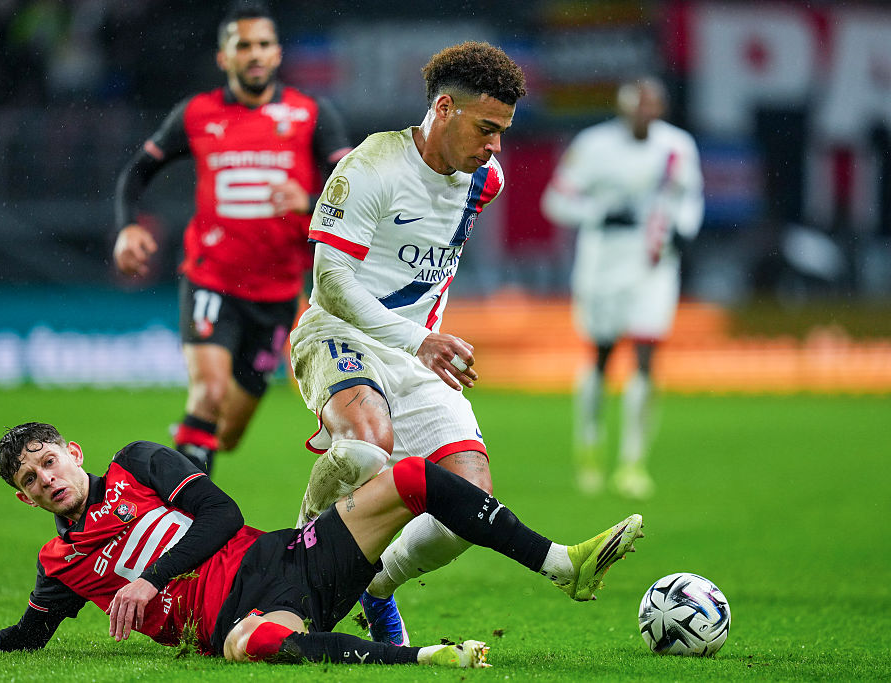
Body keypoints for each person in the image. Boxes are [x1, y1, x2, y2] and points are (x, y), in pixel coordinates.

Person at [0, 422, 644, 667]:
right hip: (235, 622)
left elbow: (219, 514)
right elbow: (27, 636)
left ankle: (563, 564)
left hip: (287, 556)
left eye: (49, 459)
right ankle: (426, 658)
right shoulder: (61, 565)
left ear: (74, 453)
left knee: (412, 475)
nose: (46, 477)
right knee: (257, 643)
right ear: (24, 498)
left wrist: (150, 577)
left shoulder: (139, 461)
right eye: (30, 476)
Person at [286, 41, 526, 646]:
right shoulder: (370, 167)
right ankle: (295, 564)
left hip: (417, 352)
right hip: (338, 333)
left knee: (469, 507)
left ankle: (377, 588)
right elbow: (331, 281)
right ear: (443, 108)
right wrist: (420, 338)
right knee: (367, 449)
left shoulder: (484, 180)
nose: (495, 147)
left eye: (503, 132)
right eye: (487, 128)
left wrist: (420, 342)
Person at [112, 2, 351, 476]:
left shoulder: (311, 114)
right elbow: (137, 172)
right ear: (224, 57)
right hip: (211, 279)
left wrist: (308, 198)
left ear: (278, 53)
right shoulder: (197, 114)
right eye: (244, 46)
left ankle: (185, 453)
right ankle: (178, 520)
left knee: (228, 432)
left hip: (279, 292)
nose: (255, 54)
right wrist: (127, 227)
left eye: (263, 44)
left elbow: (355, 186)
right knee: (209, 393)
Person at [540, 77, 704, 500]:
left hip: (653, 263)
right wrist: (597, 212)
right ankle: (590, 449)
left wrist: (683, 229)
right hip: (603, 263)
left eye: (653, 106)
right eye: (639, 106)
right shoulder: (593, 146)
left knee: (647, 356)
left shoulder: (677, 147)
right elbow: (555, 201)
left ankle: (634, 462)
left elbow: (690, 198)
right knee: (602, 355)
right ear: (623, 108)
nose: (646, 114)